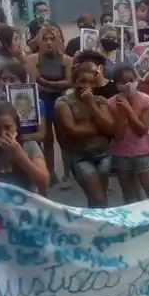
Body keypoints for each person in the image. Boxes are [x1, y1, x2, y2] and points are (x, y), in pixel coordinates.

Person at [0, 101, 64, 296]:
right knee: (6, 277)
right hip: (0, 228)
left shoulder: (29, 146)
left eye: (7, 127)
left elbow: (42, 180)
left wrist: (19, 156)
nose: (3, 134)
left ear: (17, 126)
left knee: (36, 273)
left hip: (29, 222)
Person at [54, 62, 115, 207]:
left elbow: (110, 128)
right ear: (74, 81)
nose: (86, 85)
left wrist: (91, 104)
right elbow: (73, 130)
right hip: (80, 156)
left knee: (100, 197)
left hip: (103, 155)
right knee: (97, 197)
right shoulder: (64, 102)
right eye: (82, 81)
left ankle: (98, 221)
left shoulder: (100, 101)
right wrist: (99, 129)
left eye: (91, 82)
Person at [26, 25, 72, 183]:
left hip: (59, 101)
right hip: (41, 100)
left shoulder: (66, 60)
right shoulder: (33, 59)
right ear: (40, 41)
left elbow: (69, 82)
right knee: (46, 139)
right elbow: (32, 79)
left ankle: (67, 174)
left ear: (59, 40)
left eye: (52, 39)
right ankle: (50, 173)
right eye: (45, 39)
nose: (49, 42)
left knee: (63, 139)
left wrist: (46, 83)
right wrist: (52, 84)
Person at [108, 65, 149, 203]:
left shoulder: (147, 101)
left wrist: (127, 109)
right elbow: (118, 135)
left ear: (137, 80)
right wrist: (121, 113)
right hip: (121, 154)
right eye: (123, 81)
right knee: (130, 197)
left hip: (143, 152)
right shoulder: (110, 104)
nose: (128, 84)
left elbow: (141, 130)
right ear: (116, 84)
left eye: (131, 80)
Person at [0, 61, 45, 146]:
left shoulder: (37, 104)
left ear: (23, 82)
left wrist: (15, 139)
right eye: (3, 79)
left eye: (12, 80)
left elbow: (41, 134)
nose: (7, 83)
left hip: (27, 147)